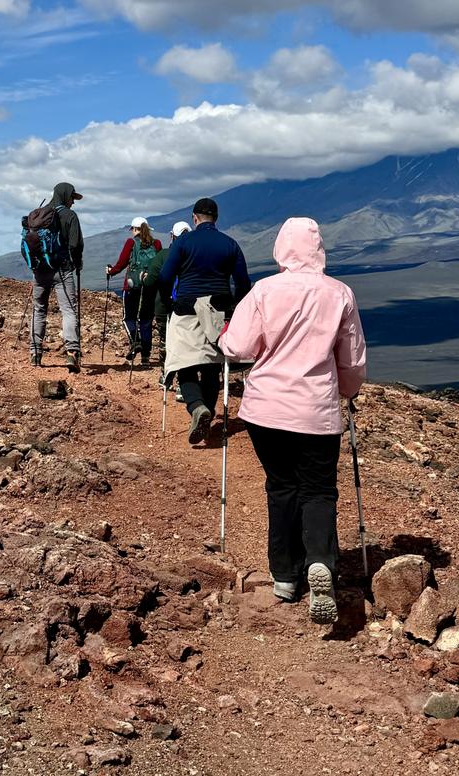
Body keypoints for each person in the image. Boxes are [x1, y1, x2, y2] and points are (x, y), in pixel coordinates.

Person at [219, 217, 366, 625]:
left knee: (281, 486)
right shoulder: (339, 294)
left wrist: (224, 338)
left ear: (281, 249)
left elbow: (239, 346)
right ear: (319, 250)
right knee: (318, 490)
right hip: (315, 410)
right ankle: (320, 560)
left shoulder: (264, 290)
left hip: (265, 411)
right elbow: (351, 360)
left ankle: (284, 576)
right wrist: (349, 391)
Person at [158, 198, 251, 444]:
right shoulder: (230, 244)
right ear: (216, 218)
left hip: (186, 309)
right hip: (217, 311)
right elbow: (243, 283)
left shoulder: (184, 242)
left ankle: (198, 407)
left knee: (185, 365)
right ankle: (206, 416)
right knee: (211, 366)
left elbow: (165, 276)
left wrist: (169, 303)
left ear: (194, 218)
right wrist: (234, 309)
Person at [30, 182, 84, 372]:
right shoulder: (70, 216)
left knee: (39, 309)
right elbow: (76, 245)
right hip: (63, 270)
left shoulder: (39, 214)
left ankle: (35, 353)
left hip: (40, 270)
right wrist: (77, 263)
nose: (73, 202)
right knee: (68, 310)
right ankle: (72, 353)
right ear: (65, 196)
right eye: (72, 198)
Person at [105, 217, 162, 366]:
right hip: (150, 287)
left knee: (128, 318)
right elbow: (159, 265)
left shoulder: (131, 243)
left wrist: (111, 271)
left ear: (135, 229)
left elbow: (122, 263)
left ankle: (135, 341)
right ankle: (146, 357)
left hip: (131, 286)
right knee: (146, 320)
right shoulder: (156, 244)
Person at [147, 221, 190, 388]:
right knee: (186, 343)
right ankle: (183, 383)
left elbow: (151, 281)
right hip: (187, 307)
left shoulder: (164, 255)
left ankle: (166, 375)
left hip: (164, 307)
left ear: (172, 236)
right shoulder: (194, 256)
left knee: (166, 343)